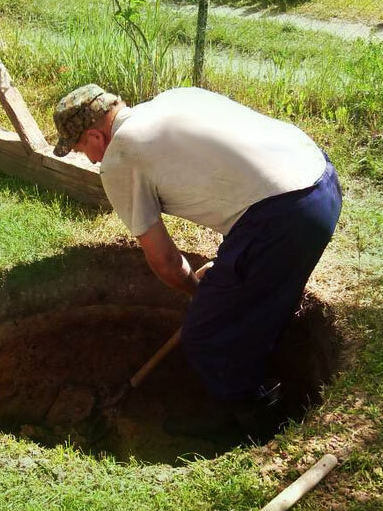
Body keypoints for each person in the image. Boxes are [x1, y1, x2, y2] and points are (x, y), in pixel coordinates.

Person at [52, 84, 342, 442]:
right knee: (244, 313)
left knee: (208, 334)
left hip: (285, 217)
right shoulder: (172, 100)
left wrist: (196, 293)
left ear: (96, 134)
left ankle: (261, 430)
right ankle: (233, 409)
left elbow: (166, 263)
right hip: (320, 179)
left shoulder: (121, 157)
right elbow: (237, 175)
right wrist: (226, 262)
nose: (91, 159)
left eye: (82, 148)